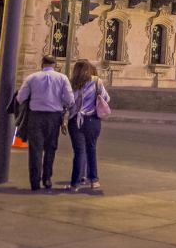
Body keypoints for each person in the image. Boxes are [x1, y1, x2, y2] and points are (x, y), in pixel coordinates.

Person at [16, 54, 74, 191]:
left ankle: (34, 181)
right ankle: (47, 178)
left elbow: (20, 97)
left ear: (42, 64)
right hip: (54, 117)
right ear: (55, 65)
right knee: (50, 148)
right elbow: (70, 100)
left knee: (35, 150)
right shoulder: (62, 78)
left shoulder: (32, 78)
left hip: (35, 117)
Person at [66, 60, 109, 191]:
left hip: (75, 120)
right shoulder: (96, 81)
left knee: (79, 152)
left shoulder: (71, 83)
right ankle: (94, 181)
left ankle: (75, 184)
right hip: (93, 120)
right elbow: (106, 98)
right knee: (92, 149)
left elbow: (68, 101)